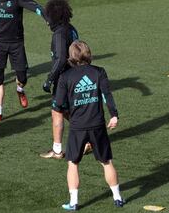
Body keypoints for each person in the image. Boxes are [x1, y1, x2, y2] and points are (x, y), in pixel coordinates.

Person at [52, 41, 124, 211]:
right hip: (98, 124)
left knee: (73, 163)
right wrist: (114, 115)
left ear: (71, 56)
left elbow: (59, 105)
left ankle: (74, 202)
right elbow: (107, 95)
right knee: (106, 162)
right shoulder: (99, 72)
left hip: (77, 127)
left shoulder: (65, 77)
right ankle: (118, 197)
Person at [0, 0, 51, 123]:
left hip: (16, 43)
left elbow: (35, 6)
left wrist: (47, 18)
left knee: (22, 76)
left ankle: (20, 89)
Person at [39, 0, 79, 159]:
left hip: (64, 78)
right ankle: (90, 137)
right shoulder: (70, 28)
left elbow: (61, 59)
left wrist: (50, 79)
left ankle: (57, 150)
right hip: (75, 75)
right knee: (67, 110)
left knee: (57, 111)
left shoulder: (59, 34)